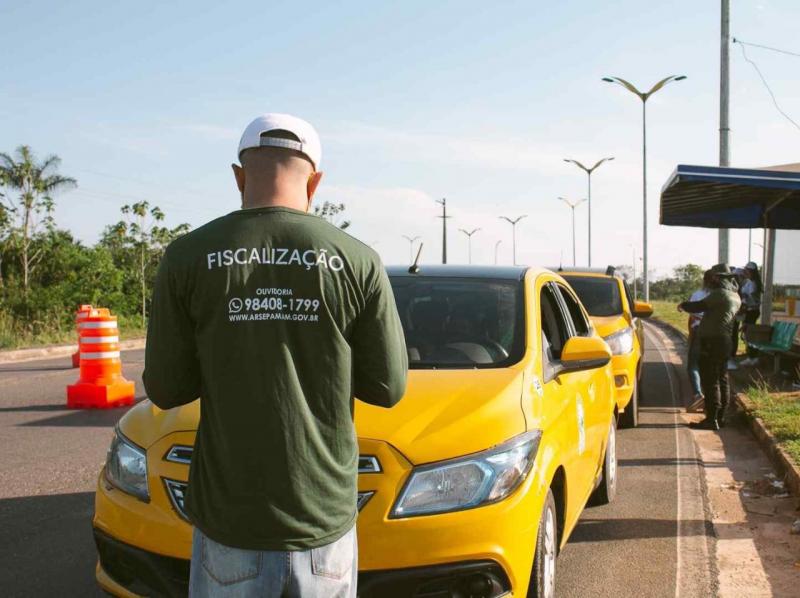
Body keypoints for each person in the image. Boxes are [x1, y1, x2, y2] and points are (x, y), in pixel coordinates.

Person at [143, 113, 408, 598]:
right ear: (316, 181)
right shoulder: (357, 259)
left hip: (231, 521)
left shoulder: (188, 256)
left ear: (239, 176)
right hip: (322, 518)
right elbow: (388, 387)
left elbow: (166, 387)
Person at [678, 264, 741, 430]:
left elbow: (699, 306)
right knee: (722, 378)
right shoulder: (735, 296)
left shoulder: (720, 294)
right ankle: (720, 418)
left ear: (721, 278)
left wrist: (683, 305)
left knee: (710, 380)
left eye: (715, 277)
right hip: (725, 341)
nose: (713, 280)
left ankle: (711, 420)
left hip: (712, 341)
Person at [686, 271, 713, 412]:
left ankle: (697, 394)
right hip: (715, 335)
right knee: (710, 366)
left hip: (699, 333)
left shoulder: (697, 295)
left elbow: (692, 315)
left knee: (693, 365)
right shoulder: (722, 296)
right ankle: (711, 399)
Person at [739, 262, 763, 367]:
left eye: (747, 270)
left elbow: (751, 298)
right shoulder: (748, 282)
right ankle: (751, 355)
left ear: (752, 271)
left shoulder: (754, 284)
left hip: (752, 311)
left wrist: (743, 298)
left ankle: (753, 357)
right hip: (749, 310)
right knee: (747, 334)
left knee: (749, 334)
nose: (745, 271)